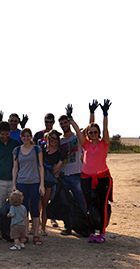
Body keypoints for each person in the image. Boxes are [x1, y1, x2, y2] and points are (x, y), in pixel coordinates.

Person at [69, 100, 113, 243]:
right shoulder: (86, 144)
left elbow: (106, 130)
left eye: (95, 132)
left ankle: (102, 233)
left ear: (98, 133)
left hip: (102, 178)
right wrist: (71, 118)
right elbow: (77, 130)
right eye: (91, 132)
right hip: (86, 178)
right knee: (89, 205)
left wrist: (105, 114)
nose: (93, 134)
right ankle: (92, 233)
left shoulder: (104, 143)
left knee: (101, 205)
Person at [12, 128, 45, 245]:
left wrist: (42, 184)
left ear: (31, 137)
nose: (26, 138)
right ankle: (25, 235)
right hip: (22, 182)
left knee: (35, 209)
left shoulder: (37, 149)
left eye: (28, 136)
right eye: (23, 136)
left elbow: (41, 166)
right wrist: (14, 185)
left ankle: (36, 234)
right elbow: (15, 168)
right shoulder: (17, 150)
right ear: (21, 137)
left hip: (34, 182)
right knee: (24, 210)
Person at [57, 113, 87, 235]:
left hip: (76, 175)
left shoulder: (77, 138)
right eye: (62, 123)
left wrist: (71, 119)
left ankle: (87, 226)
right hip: (63, 176)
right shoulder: (60, 140)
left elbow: (88, 128)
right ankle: (67, 226)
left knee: (82, 202)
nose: (64, 125)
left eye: (66, 122)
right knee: (65, 203)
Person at [40, 129, 64, 234]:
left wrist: (61, 160)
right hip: (38, 178)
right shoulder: (41, 149)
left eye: (56, 139)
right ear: (48, 138)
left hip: (48, 180)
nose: (54, 140)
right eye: (52, 138)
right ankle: (34, 227)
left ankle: (43, 228)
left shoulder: (58, 154)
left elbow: (55, 170)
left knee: (45, 204)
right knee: (36, 204)